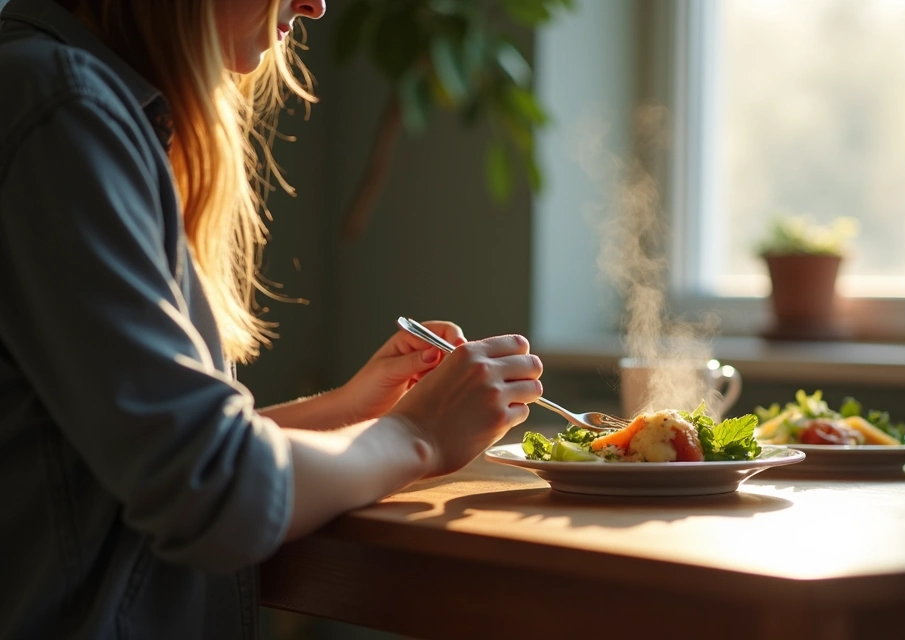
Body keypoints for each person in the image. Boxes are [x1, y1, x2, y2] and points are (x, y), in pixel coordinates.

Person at [0, 0, 545, 637]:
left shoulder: (63, 94)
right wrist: (415, 438)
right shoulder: (61, 110)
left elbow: (145, 462)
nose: (316, 3)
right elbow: (210, 486)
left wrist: (352, 411)